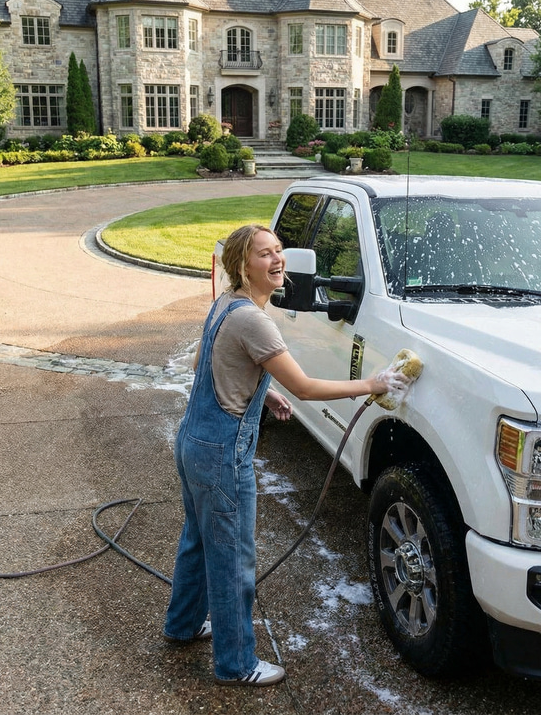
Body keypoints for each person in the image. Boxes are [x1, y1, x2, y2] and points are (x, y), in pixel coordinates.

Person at [163, 224, 405, 687]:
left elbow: (208, 363)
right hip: (221, 458)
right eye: (264, 255)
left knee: (197, 541)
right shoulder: (254, 320)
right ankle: (236, 664)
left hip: (193, 442)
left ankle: (184, 624)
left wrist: (264, 392)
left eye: (279, 251)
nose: (277, 261)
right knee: (233, 559)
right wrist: (374, 384)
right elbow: (307, 387)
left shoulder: (226, 304)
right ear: (242, 265)